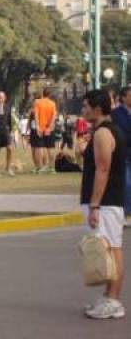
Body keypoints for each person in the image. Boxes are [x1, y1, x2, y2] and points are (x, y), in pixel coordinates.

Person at [80, 90, 126, 319]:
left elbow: (103, 169)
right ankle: (109, 296)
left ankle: (114, 300)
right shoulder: (103, 131)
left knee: (112, 249)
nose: (83, 110)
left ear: (97, 109)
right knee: (107, 249)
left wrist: (94, 205)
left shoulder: (104, 133)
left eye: (86, 106)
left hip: (106, 202)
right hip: (107, 202)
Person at [111, 86, 131, 220]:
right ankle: (125, 212)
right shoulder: (116, 113)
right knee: (126, 183)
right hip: (124, 153)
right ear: (123, 98)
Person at [33, 88, 57, 173]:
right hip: (49, 128)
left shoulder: (37, 102)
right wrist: (50, 128)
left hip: (40, 127)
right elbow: (54, 116)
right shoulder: (52, 103)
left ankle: (39, 167)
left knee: (39, 148)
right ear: (50, 95)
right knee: (50, 148)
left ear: (43, 94)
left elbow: (36, 115)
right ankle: (52, 168)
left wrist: (37, 127)